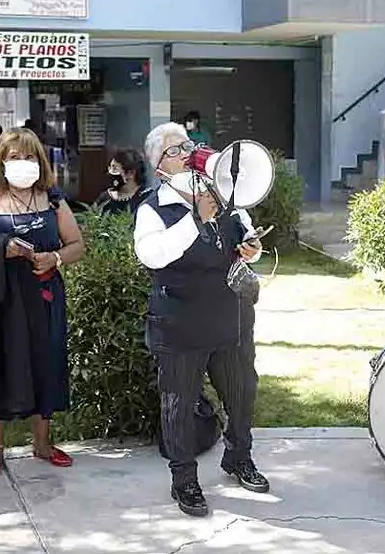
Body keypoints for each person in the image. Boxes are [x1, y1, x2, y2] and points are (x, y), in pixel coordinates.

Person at [134, 122, 269, 517]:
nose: (187, 153)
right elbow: (153, 254)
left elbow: (246, 235)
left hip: (231, 316)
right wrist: (195, 219)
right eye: (176, 149)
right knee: (179, 404)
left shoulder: (223, 193)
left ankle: (239, 457)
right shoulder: (152, 207)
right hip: (181, 322)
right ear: (159, 165)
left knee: (241, 392)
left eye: (188, 145)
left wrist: (252, 248)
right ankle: (184, 480)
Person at [0, 128, 85, 481]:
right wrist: (1, 248)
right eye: (14, 157)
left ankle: (42, 443)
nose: (22, 163)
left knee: (46, 363)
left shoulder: (52, 199)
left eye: (29, 156)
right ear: (1, 161)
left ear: (40, 161)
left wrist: (56, 257)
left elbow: (76, 244)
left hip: (43, 296)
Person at [94, 147, 152, 215]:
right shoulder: (105, 198)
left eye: (114, 168)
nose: (110, 172)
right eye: (110, 168)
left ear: (131, 173)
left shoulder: (148, 198)